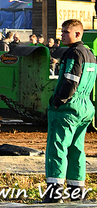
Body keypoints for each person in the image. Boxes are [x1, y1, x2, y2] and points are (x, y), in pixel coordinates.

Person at [43, 19, 97, 202]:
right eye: (62, 31)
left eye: (66, 32)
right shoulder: (90, 54)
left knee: (57, 147)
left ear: (78, 34)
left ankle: (53, 193)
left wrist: (57, 101)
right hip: (85, 107)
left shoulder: (73, 53)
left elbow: (70, 81)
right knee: (76, 150)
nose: (62, 35)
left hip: (69, 108)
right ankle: (77, 193)